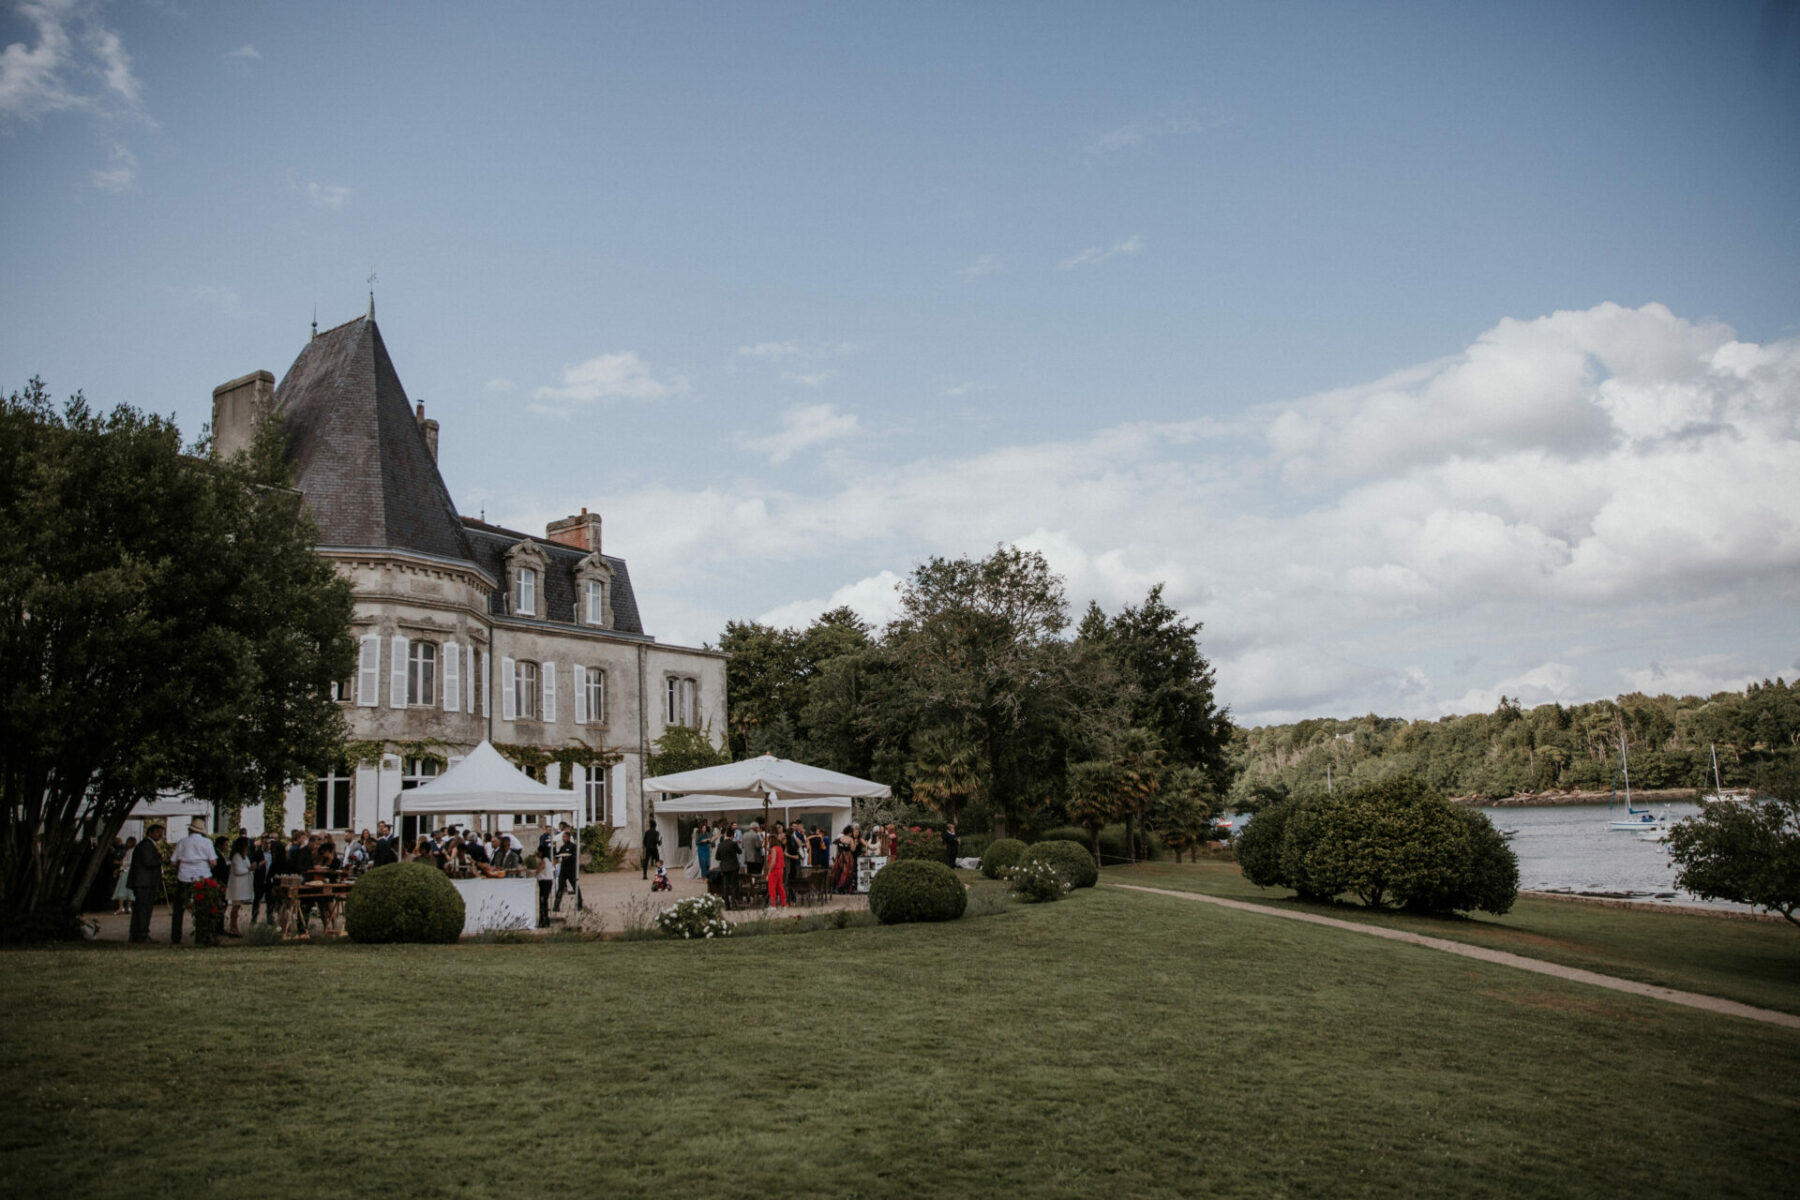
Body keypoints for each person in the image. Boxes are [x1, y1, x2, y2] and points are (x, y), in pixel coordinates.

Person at [168, 818, 218, 945]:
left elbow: (173, 862)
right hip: (202, 877)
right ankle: (201, 937)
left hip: (184, 876)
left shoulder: (182, 842)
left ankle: (176, 937)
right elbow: (213, 862)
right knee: (202, 909)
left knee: (179, 909)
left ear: (190, 829)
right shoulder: (207, 842)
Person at [127, 825, 164, 942]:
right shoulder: (146, 845)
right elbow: (148, 862)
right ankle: (141, 933)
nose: (160, 835)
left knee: (141, 908)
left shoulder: (147, 845)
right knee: (143, 908)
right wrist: (160, 860)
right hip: (144, 881)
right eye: (158, 832)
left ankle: (137, 932)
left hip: (145, 881)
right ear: (150, 833)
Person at [225, 834, 253, 936]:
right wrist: (249, 869)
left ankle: (234, 926)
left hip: (242, 885)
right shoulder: (237, 856)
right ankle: (233, 927)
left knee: (237, 907)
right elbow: (238, 871)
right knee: (235, 907)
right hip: (237, 885)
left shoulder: (244, 856)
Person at [714, 821, 742, 910]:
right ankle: (734, 903)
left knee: (725, 886)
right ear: (732, 835)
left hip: (724, 867)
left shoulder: (720, 845)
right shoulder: (733, 843)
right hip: (733, 866)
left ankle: (727, 905)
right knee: (734, 885)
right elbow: (740, 852)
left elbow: (717, 857)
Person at [553, 830, 581, 912]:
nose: (564, 838)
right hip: (563, 870)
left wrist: (569, 857)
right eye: (563, 837)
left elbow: (575, 857)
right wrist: (554, 848)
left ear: (569, 837)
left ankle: (579, 904)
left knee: (575, 887)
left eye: (565, 837)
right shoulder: (563, 847)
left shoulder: (573, 846)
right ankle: (556, 906)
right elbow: (557, 856)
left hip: (571, 870)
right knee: (560, 888)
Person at [111, 835, 136, 916]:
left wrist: (119, 864)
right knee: (129, 890)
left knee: (122, 889)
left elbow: (128, 862)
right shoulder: (130, 851)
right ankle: (128, 907)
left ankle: (121, 907)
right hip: (129, 871)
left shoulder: (131, 851)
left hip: (126, 871)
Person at [765, 826, 789, 909]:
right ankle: (784, 904)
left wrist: (769, 871)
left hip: (774, 870)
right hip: (781, 869)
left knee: (772, 888)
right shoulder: (779, 848)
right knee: (780, 887)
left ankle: (773, 905)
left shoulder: (774, 849)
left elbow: (773, 861)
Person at [536, 847, 554, 926]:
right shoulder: (548, 860)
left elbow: (538, 870)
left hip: (544, 882)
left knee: (543, 901)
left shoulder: (544, 861)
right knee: (544, 901)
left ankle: (544, 920)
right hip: (547, 881)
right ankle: (544, 919)